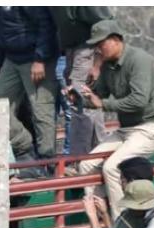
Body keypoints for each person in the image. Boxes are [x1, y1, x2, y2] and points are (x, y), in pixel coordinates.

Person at [74, 20, 154, 220]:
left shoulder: (138, 59)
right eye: (96, 46)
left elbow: (139, 101)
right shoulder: (108, 66)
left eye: (101, 44)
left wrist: (102, 104)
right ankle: (97, 217)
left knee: (112, 167)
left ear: (116, 40)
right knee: (86, 165)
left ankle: (121, 223)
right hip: (126, 130)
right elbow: (97, 97)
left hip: (150, 127)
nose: (98, 49)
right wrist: (79, 98)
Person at [0, 7, 60, 162]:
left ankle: (47, 160)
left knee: (41, 109)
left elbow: (45, 24)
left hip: (35, 58)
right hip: (11, 58)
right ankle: (4, 155)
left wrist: (40, 58)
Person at [48, 7, 112, 150]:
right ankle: (96, 152)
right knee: (82, 105)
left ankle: (80, 158)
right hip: (70, 51)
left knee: (81, 104)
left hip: (87, 50)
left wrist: (97, 64)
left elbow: (107, 26)